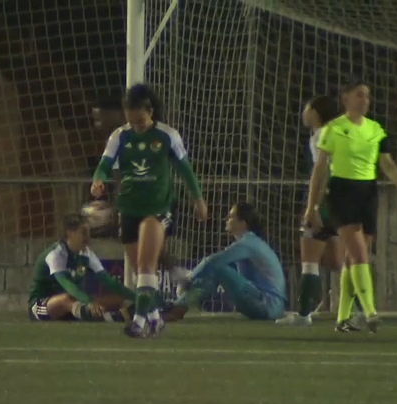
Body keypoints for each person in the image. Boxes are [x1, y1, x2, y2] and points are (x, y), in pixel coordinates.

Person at [91, 83, 208, 338]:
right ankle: (156, 320)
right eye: (131, 122)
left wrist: (198, 199)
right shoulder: (119, 137)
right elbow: (104, 166)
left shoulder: (167, 136)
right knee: (142, 271)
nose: (136, 127)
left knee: (145, 267)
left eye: (141, 121)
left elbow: (186, 170)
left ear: (150, 111)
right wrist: (98, 179)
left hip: (157, 209)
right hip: (129, 208)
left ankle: (139, 322)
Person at [304, 77, 397, 333]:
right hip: (342, 192)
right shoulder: (334, 129)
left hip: (368, 192)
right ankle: (370, 311)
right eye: (359, 95)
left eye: (367, 96)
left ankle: (343, 318)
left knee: (354, 257)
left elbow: (386, 163)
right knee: (359, 253)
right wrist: (312, 206)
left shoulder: (375, 129)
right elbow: (319, 170)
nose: (365, 100)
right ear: (346, 99)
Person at [276, 95, 364, 329]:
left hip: (326, 200)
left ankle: (304, 314)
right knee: (336, 260)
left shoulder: (320, 136)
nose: (304, 113)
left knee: (310, 259)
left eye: (307, 108)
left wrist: (313, 207)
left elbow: (322, 172)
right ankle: (360, 310)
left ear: (316, 113)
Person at [166, 203, 286, 322]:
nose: (226, 219)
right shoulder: (252, 242)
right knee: (213, 272)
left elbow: (213, 261)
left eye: (231, 216)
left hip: (268, 305)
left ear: (243, 222)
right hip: (271, 306)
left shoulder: (248, 243)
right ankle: (179, 307)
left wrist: (189, 278)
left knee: (217, 268)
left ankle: (178, 308)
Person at [28, 213, 136, 322]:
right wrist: (88, 301)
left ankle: (124, 313)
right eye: (83, 232)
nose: (87, 237)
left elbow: (108, 281)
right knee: (66, 299)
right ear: (69, 233)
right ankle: (109, 318)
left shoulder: (86, 254)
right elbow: (67, 285)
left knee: (116, 299)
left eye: (89, 233)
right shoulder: (56, 255)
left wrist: (135, 297)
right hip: (42, 306)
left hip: (75, 302)